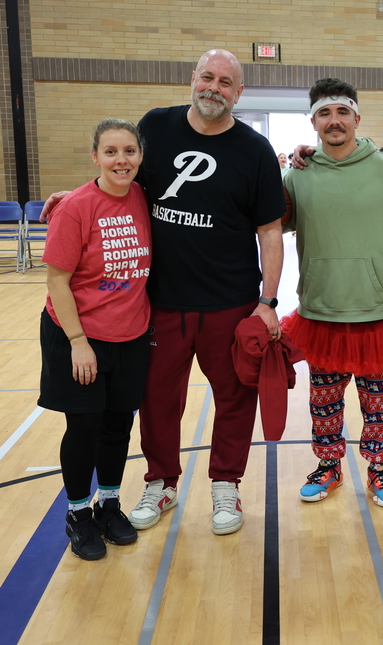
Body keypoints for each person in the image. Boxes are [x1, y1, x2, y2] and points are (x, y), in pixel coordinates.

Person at [41, 49, 286, 536]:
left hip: (231, 301)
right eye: (207, 77)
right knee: (155, 399)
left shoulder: (255, 150)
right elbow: (121, 173)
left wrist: (267, 302)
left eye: (226, 82)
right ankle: (160, 482)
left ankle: (225, 485)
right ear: (192, 79)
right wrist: (78, 195)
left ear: (238, 94)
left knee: (235, 397)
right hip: (159, 302)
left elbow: (271, 233)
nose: (214, 87)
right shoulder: (156, 125)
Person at [282, 78, 383, 508]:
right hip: (321, 311)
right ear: (313, 122)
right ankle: (329, 467)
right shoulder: (297, 176)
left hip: (377, 312)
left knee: (379, 405)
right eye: (324, 113)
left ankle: (380, 469)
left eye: (342, 112)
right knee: (323, 404)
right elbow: (269, 225)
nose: (334, 120)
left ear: (357, 117)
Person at [39, 118, 152, 560]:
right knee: (83, 426)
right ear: (95, 156)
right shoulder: (76, 207)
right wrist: (77, 342)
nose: (121, 160)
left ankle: (108, 503)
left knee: (118, 425)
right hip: (79, 335)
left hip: (131, 334)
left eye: (129, 151)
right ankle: (78, 513)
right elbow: (57, 280)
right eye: (111, 152)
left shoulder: (143, 197)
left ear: (141, 156)